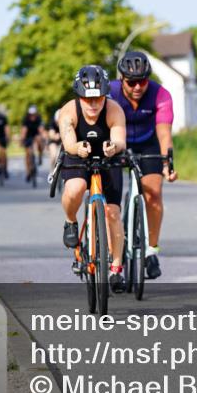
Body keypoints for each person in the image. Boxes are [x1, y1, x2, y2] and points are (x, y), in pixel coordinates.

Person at [57, 65, 128, 292]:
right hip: (78, 156)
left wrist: (113, 147)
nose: (94, 104)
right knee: (76, 188)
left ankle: (116, 268)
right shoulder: (68, 112)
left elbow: (120, 140)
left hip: (108, 159)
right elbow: (68, 142)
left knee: (113, 212)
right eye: (88, 100)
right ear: (79, 96)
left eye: (98, 98)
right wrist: (78, 147)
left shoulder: (114, 110)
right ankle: (70, 221)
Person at [109, 50, 178, 280]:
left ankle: (151, 251)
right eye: (132, 82)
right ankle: (113, 252)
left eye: (143, 81)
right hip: (117, 144)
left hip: (147, 144)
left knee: (154, 193)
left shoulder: (161, 95)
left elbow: (164, 135)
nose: (138, 87)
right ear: (122, 80)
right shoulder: (110, 93)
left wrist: (167, 163)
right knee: (112, 201)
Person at [21, 105, 44, 181]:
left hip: (36, 135)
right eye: (31, 114)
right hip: (28, 136)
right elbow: (24, 130)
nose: (32, 116)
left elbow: (41, 129)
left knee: (39, 139)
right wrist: (22, 139)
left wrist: (42, 136)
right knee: (27, 155)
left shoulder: (38, 119)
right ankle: (28, 172)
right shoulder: (26, 119)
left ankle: (40, 155)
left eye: (34, 114)